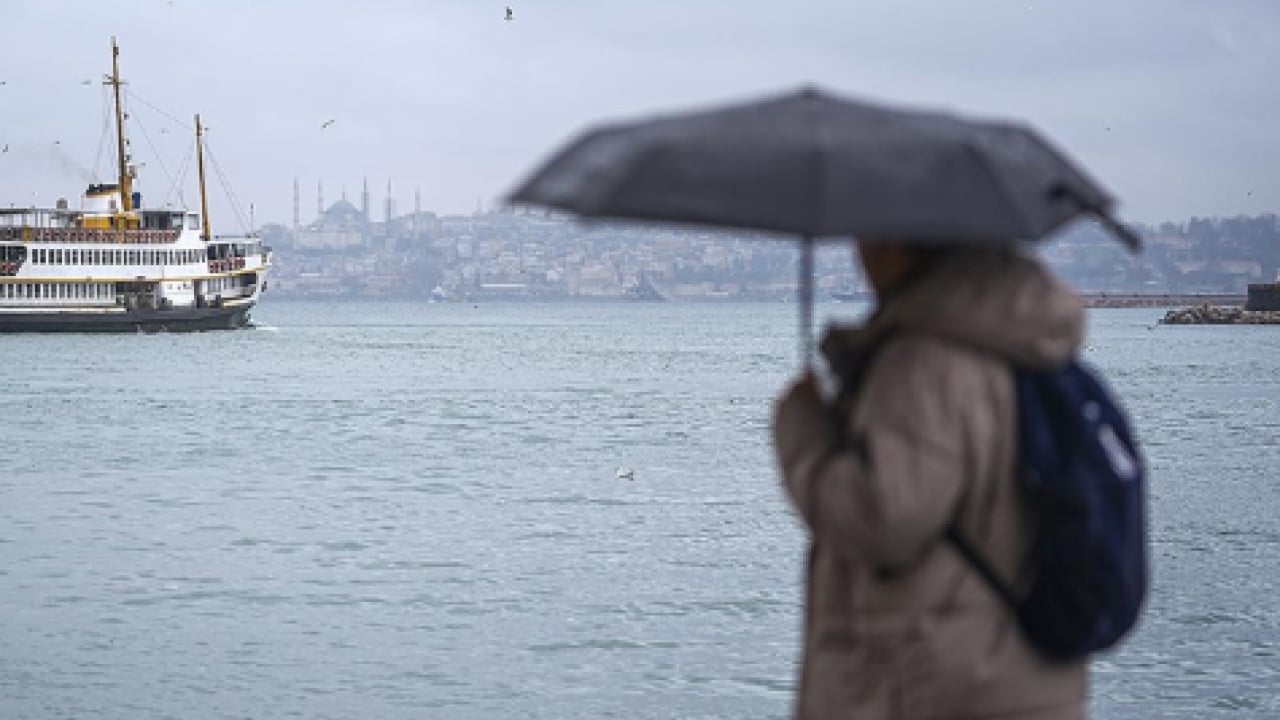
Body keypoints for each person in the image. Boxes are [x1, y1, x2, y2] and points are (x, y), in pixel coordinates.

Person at [772, 241, 1088, 720]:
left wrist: (802, 434)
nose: (862, 254)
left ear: (900, 247)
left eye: (870, 237)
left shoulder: (925, 362)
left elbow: (882, 517)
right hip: (1023, 671)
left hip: (937, 684)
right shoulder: (1021, 347)